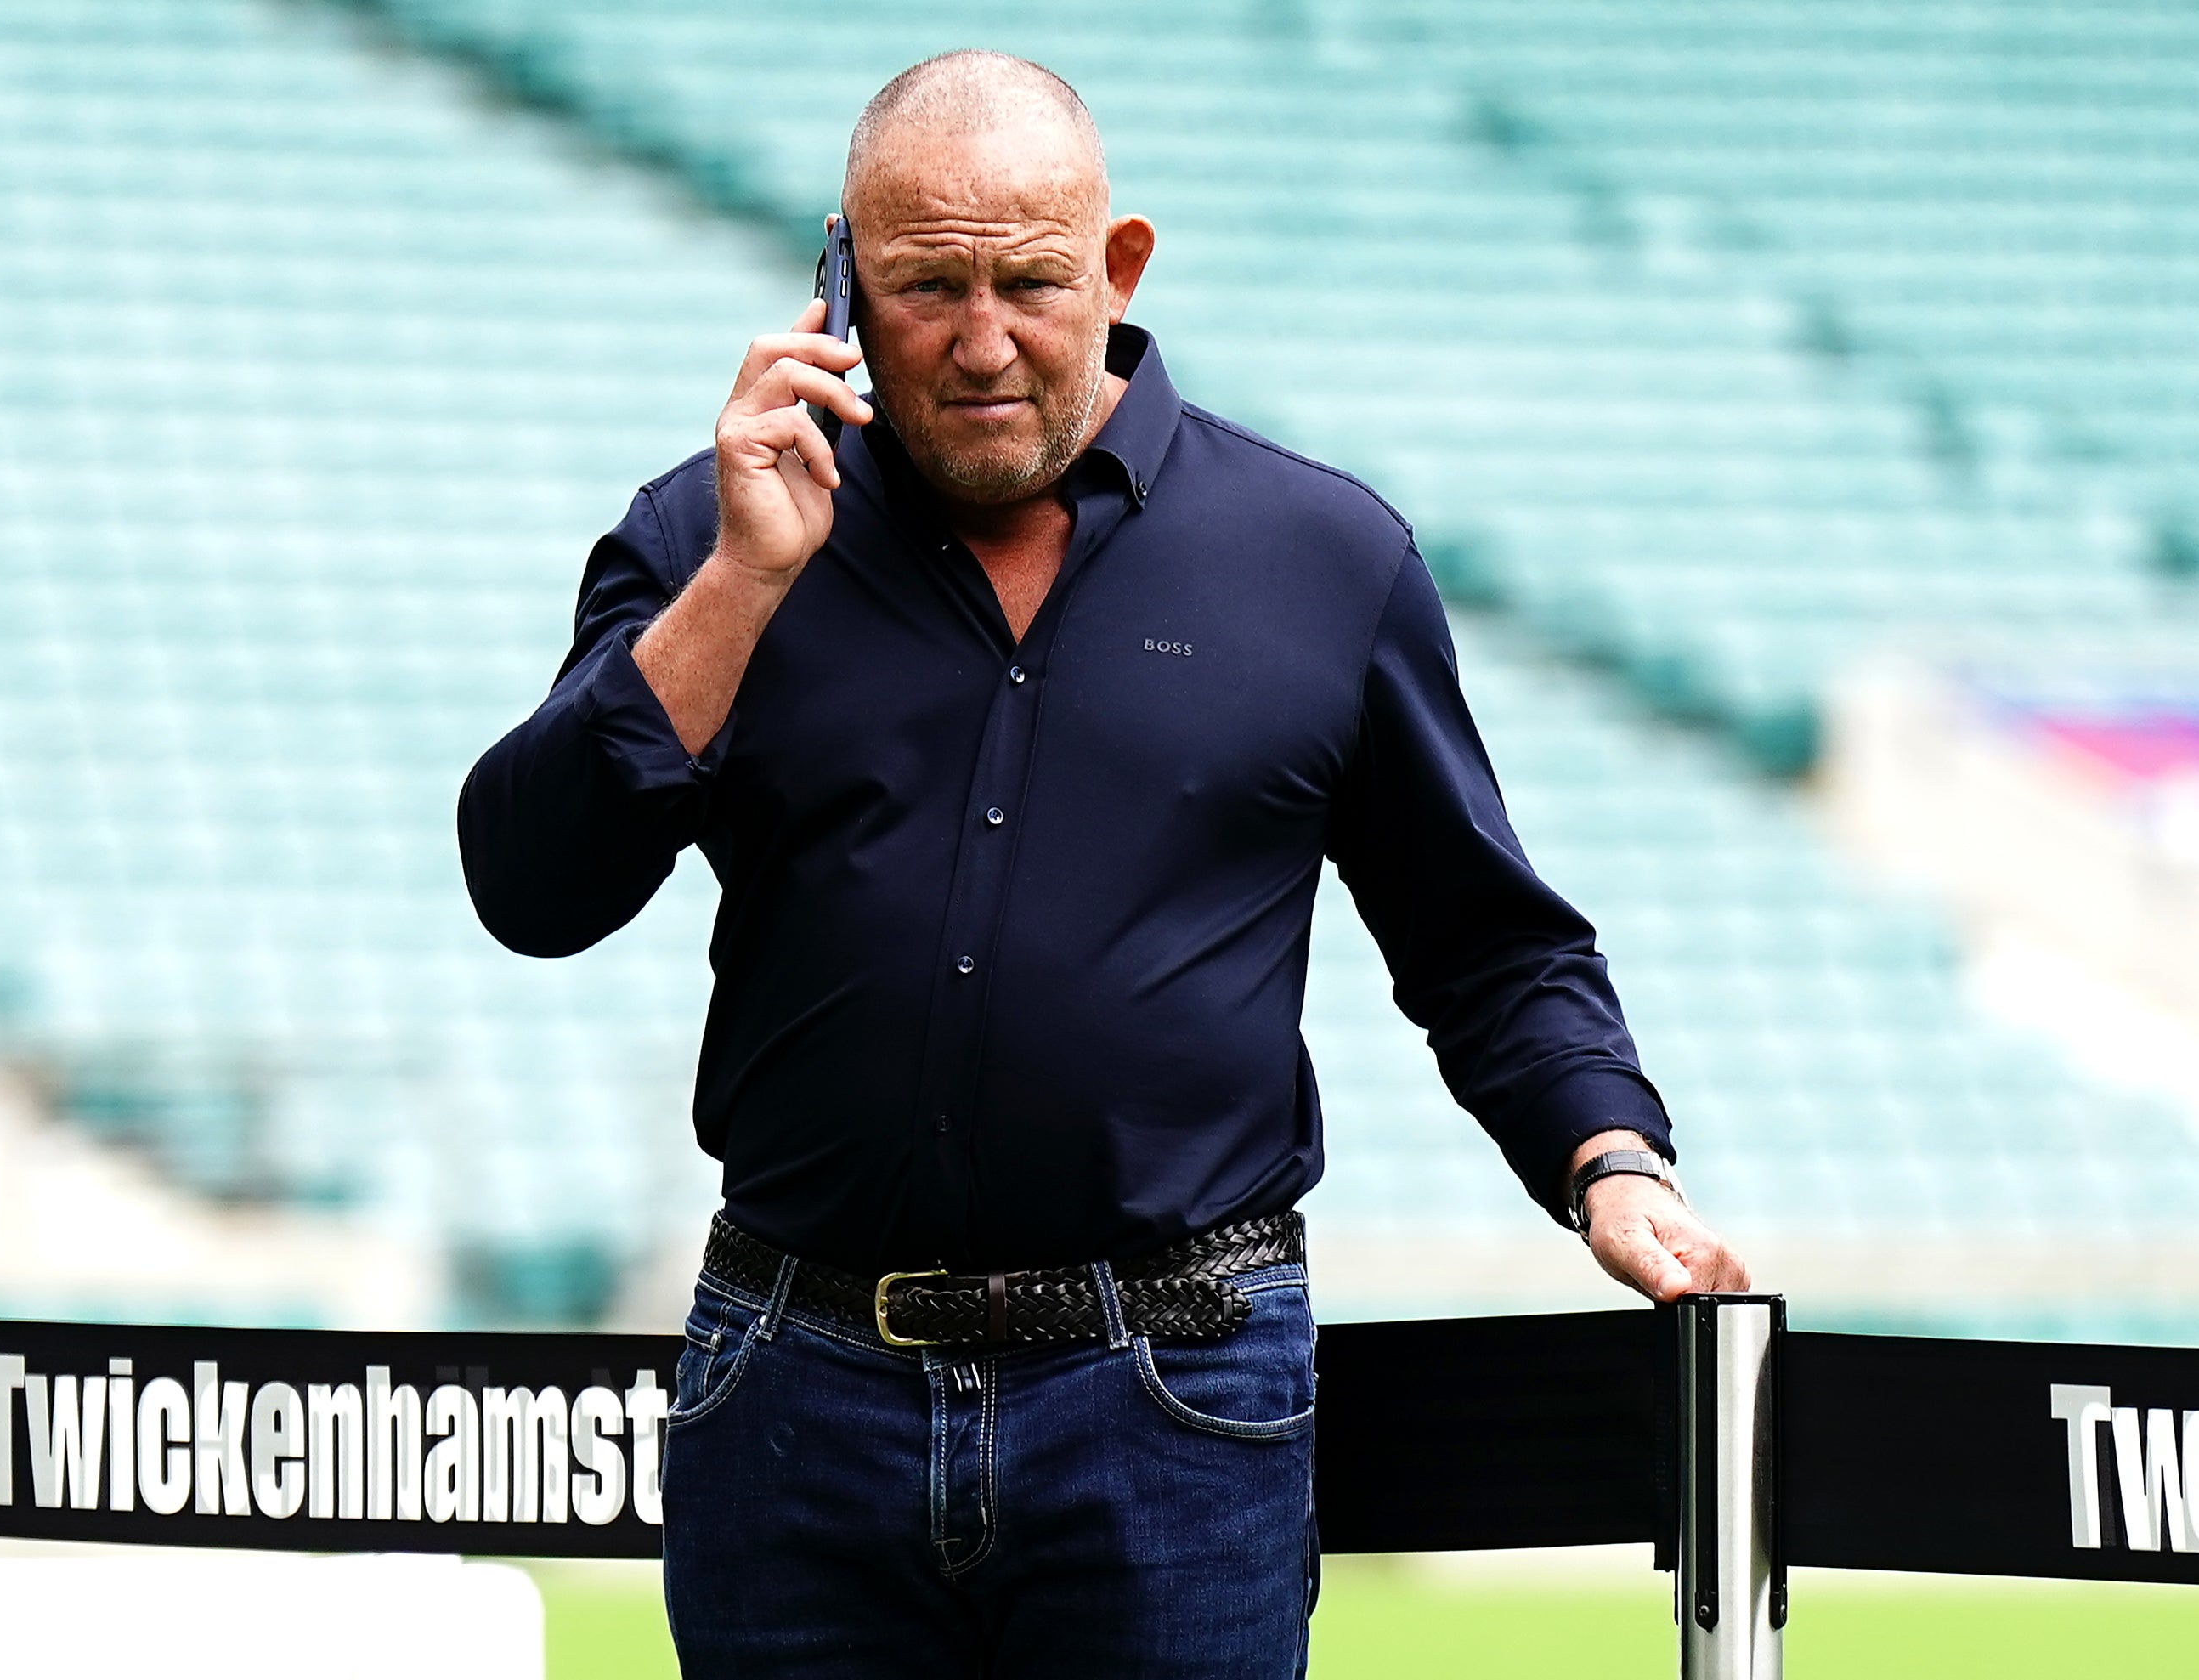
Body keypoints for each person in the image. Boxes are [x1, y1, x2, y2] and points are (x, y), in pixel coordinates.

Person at [459, 48, 1749, 1679]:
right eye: (927, 285)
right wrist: (734, 589)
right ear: (841, 280)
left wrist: (1608, 1163)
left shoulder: (1323, 557)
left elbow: (1485, 942)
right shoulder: (710, 532)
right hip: (794, 1386)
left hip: (1176, 1394)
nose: (982, 339)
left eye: (1030, 281)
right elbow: (531, 888)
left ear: (1119, 265)